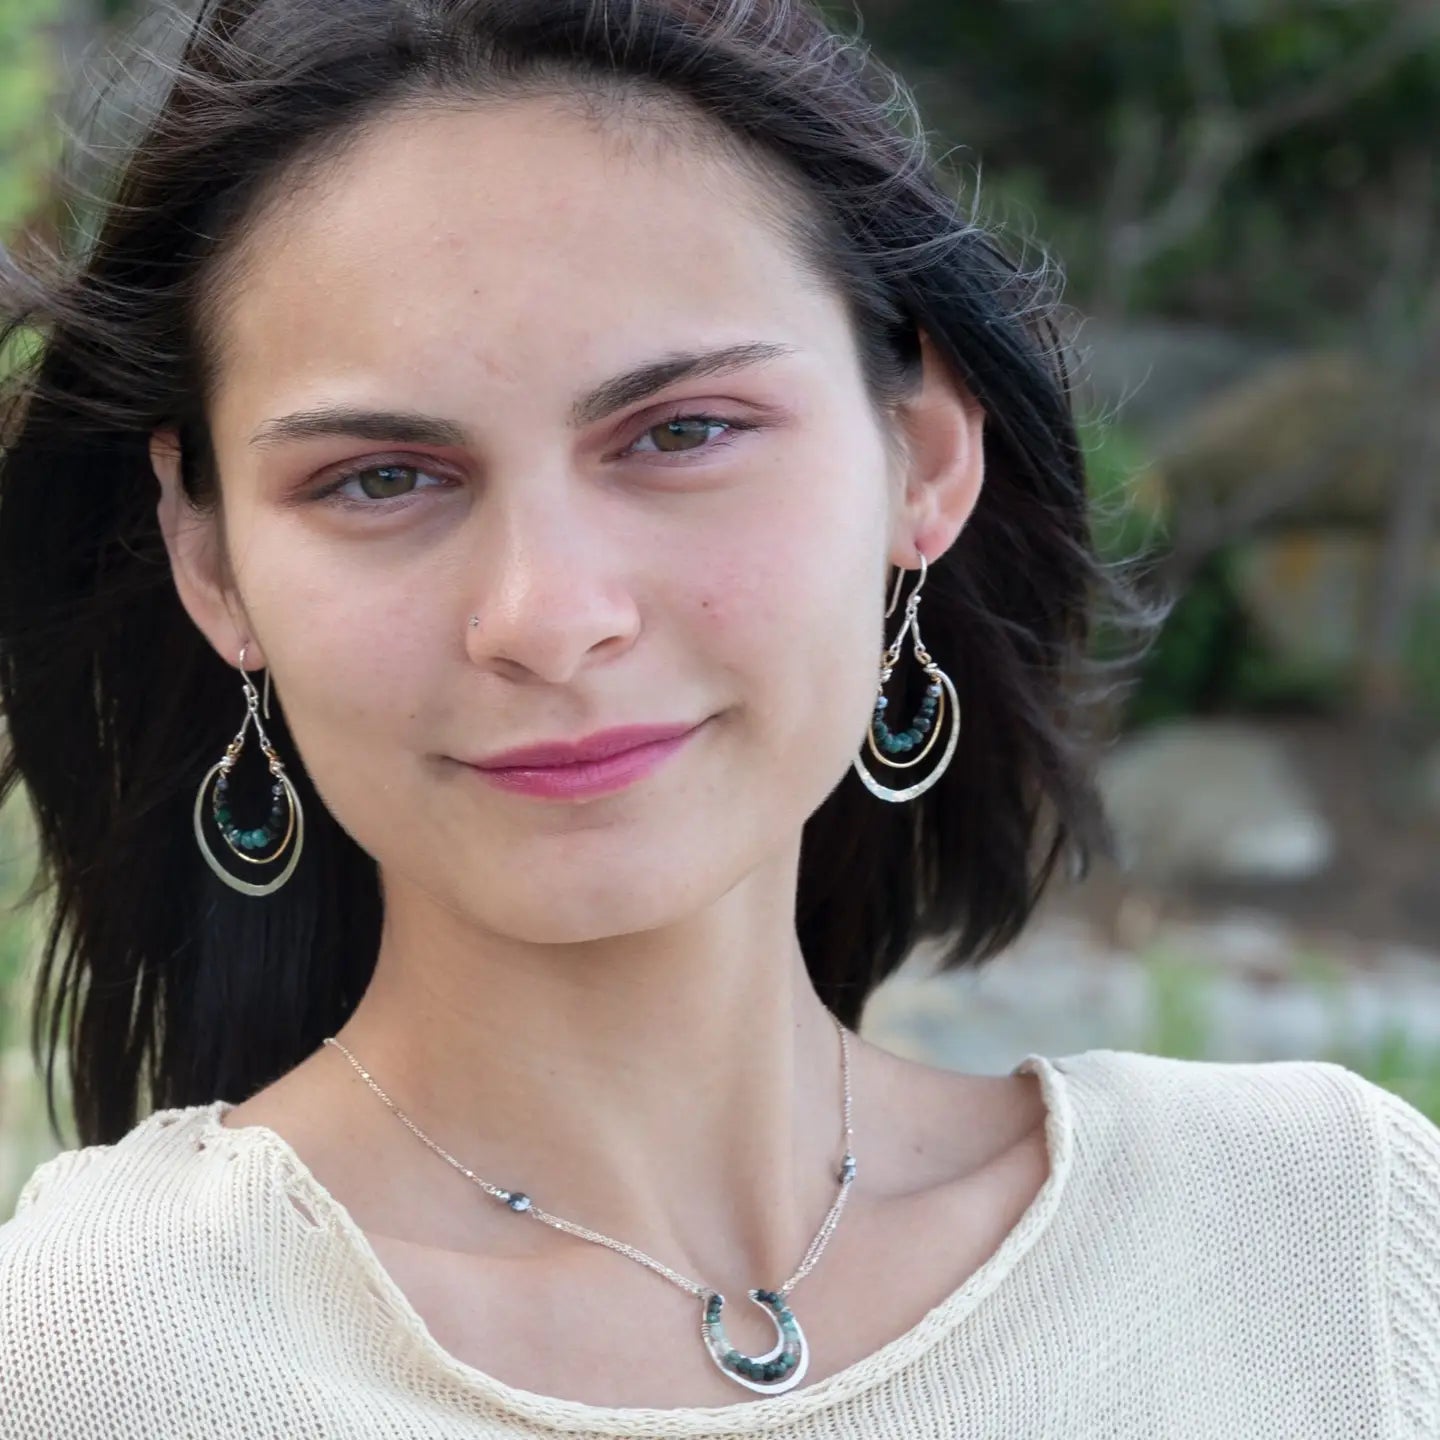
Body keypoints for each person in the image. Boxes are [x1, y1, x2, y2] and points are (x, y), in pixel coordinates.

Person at [0, 0, 1437, 1435]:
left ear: (924, 452)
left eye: (682, 433)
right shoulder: (98, 1352)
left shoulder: (1320, 1240)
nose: (549, 618)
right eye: (381, 478)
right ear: (211, 558)